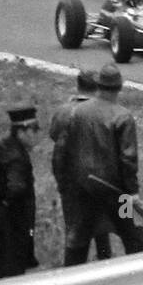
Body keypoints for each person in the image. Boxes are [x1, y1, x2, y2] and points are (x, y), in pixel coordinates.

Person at [55, 63, 143, 265]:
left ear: (98, 86)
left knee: (78, 240)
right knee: (134, 238)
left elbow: (65, 149)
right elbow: (128, 159)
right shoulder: (122, 117)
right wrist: (133, 192)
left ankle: (69, 283)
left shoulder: (77, 112)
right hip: (117, 194)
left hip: (84, 191)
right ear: (119, 87)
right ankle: (136, 279)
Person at [50, 68, 112, 262]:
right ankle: (105, 264)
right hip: (98, 180)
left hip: (71, 183)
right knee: (103, 228)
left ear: (78, 85)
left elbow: (54, 135)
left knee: (75, 231)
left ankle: (74, 269)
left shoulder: (63, 111)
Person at [0, 105, 40, 279]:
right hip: (14, 219)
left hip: (0, 217)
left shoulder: (5, 146)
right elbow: (16, 187)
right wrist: (9, 203)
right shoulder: (16, 157)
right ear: (22, 131)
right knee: (13, 264)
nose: (37, 135)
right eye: (34, 130)